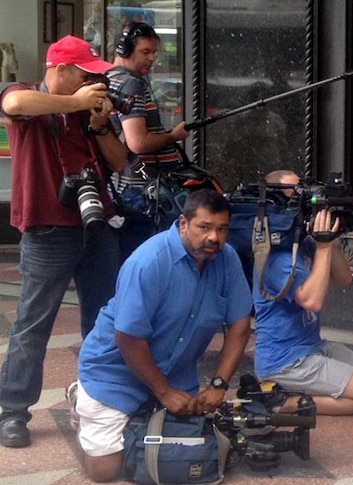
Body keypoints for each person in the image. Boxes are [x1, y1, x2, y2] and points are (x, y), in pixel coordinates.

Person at [70, 188, 253, 481]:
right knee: (105, 472)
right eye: (204, 227)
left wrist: (219, 384)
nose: (214, 238)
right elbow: (128, 337)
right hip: (115, 373)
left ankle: (134, 419)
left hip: (175, 374)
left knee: (186, 452)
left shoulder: (227, 259)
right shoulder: (147, 262)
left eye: (222, 229)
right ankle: (82, 400)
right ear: (183, 223)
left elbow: (240, 325)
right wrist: (164, 392)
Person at [0, 35, 129, 449]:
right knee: (32, 325)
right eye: (85, 73)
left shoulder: (85, 111)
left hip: (97, 226)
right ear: (59, 70)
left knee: (104, 321)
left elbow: (119, 161)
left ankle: (100, 401)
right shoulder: (27, 97)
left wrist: (96, 123)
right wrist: (74, 104)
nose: (93, 81)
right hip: (47, 229)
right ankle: (12, 412)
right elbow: (13, 107)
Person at [253, 169, 353, 415]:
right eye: (294, 194)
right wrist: (324, 247)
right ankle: (280, 403)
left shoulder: (304, 241)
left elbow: (345, 278)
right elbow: (312, 301)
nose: (303, 200)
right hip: (286, 361)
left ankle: (296, 392)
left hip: (313, 346)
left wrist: (331, 240)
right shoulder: (275, 256)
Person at [107, 21, 190, 258]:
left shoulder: (110, 77)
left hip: (128, 187)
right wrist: (173, 136)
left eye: (154, 52)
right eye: (145, 52)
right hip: (143, 191)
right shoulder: (131, 82)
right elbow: (138, 142)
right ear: (123, 49)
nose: (152, 58)